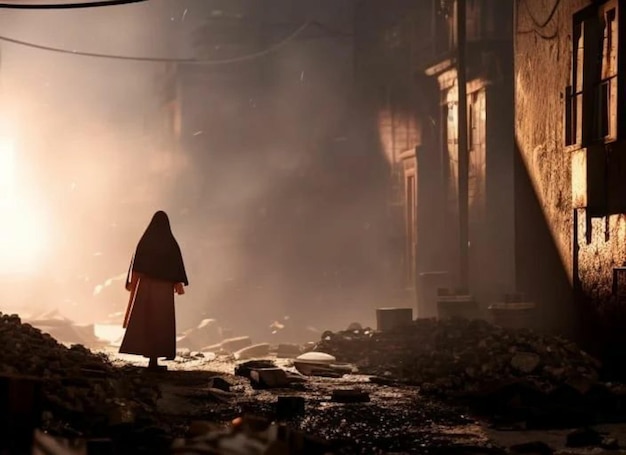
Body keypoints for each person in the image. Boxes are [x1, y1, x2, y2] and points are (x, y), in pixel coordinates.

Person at [119, 210, 188, 370]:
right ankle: (155, 360)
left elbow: (136, 263)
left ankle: (151, 359)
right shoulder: (171, 243)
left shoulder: (145, 241)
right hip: (163, 291)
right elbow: (176, 264)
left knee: (147, 322)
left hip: (146, 290)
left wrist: (132, 283)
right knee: (160, 324)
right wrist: (177, 282)